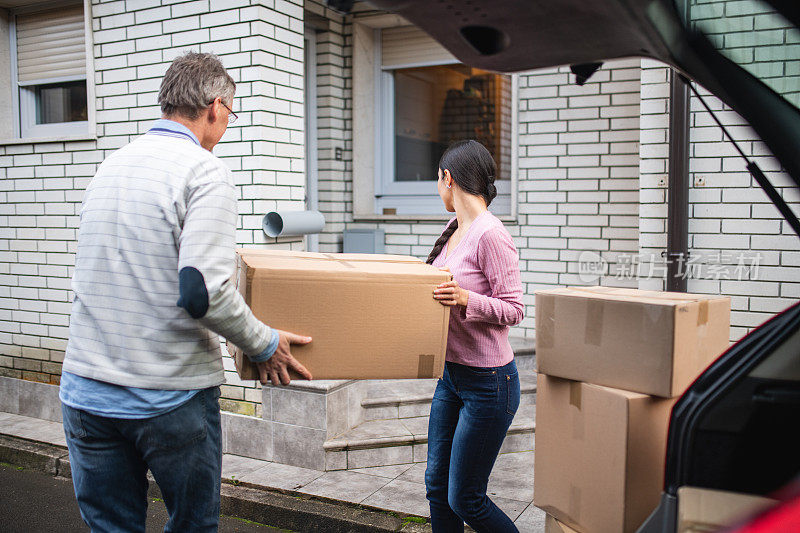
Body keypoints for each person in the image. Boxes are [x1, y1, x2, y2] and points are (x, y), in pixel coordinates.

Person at [59, 52, 312, 532]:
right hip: (167, 398)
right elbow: (202, 291)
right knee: (193, 525)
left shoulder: (109, 167)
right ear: (216, 106)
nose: (225, 126)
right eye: (230, 115)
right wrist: (265, 342)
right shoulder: (203, 170)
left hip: (86, 394)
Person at [425, 140, 525, 532]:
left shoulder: (490, 234)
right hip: (451, 377)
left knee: (465, 496)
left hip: (489, 385)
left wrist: (468, 299)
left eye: (438, 179)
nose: (438, 188)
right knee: (437, 487)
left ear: (448, 178)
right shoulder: (456, 228)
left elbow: (514, 309)